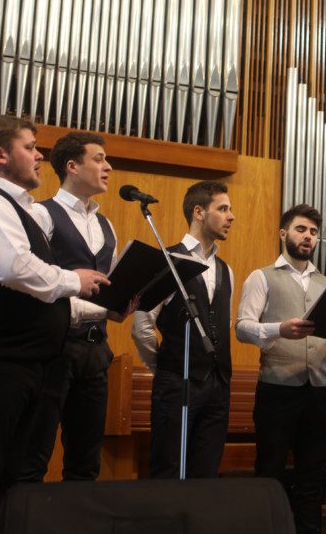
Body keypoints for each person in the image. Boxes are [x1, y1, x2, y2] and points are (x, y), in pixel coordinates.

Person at [0, 115, 108, 532]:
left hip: (21, 367)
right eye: (30, 147)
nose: (39, 156)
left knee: (7, 484)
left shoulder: (22, 210)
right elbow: (13, 269)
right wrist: (75, 280)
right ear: (0, 154)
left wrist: (103, 309)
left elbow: (33, 301)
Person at [236, 203, 326, 533]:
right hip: (277, 388)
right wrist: (278, 329)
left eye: (313, 231)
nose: (308, 236)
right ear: (284, 234)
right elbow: (242, 327)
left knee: (313, 473)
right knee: (270, 470)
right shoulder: (262, 276)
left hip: (320, 391)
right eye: (300, 229)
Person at [19, 131, 130, 483]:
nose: (108, 167)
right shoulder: (41, 214)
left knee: (86, 461)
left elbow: (109, 283)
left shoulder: (105, 224)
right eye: (98, 159)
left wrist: (121, 303)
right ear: (72, 166)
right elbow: (33, 281)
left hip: (97, 349)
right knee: (33, 454)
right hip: (55, 348)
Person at [132, 180, 235, 478]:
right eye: (223, 209)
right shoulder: (168, 260)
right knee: (169, 470)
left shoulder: (226, 269)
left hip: (218, 386)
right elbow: (142, 327)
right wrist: (166, 368)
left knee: (206, 474)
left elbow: (223, 323)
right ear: (199, 212)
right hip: (176, 384)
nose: (231, 216)